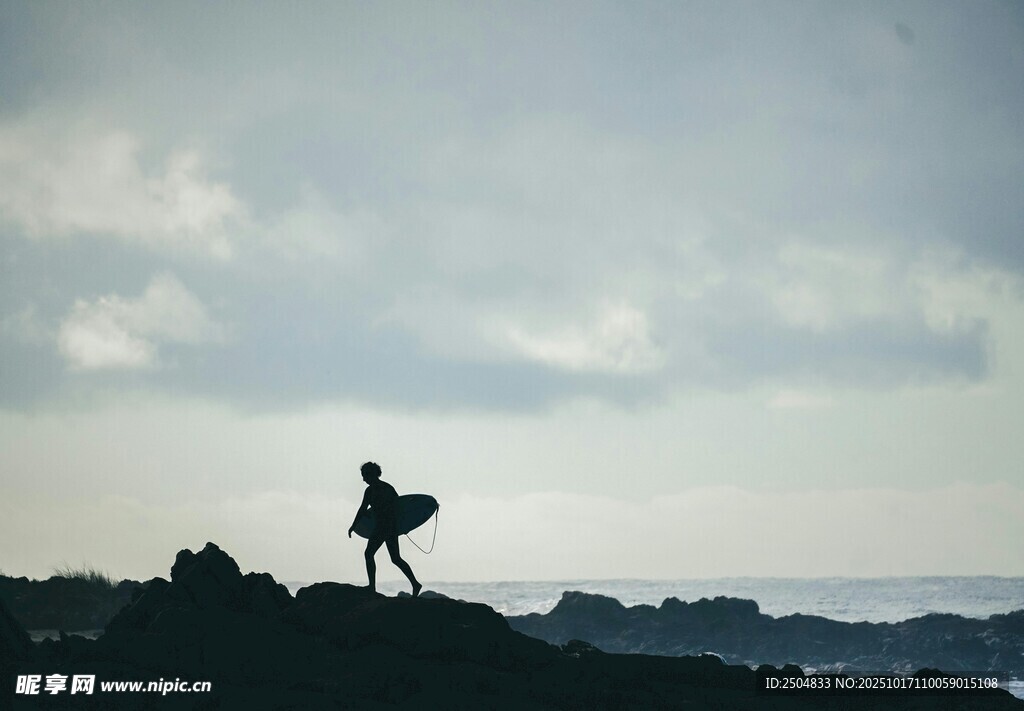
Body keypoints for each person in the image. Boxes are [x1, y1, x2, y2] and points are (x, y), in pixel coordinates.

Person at [348, 461, 422, 597]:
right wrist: (354, 525)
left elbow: (398, 508)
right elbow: (364, 509)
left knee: (369, 554)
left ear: (372, 474)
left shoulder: (377, 490)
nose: (363, 479)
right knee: (395, 558)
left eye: (365, 475)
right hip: (390, 527)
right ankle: (415, 583)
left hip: (383, 527)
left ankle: (372, 587)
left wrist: (354, 526)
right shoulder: (383, 488)